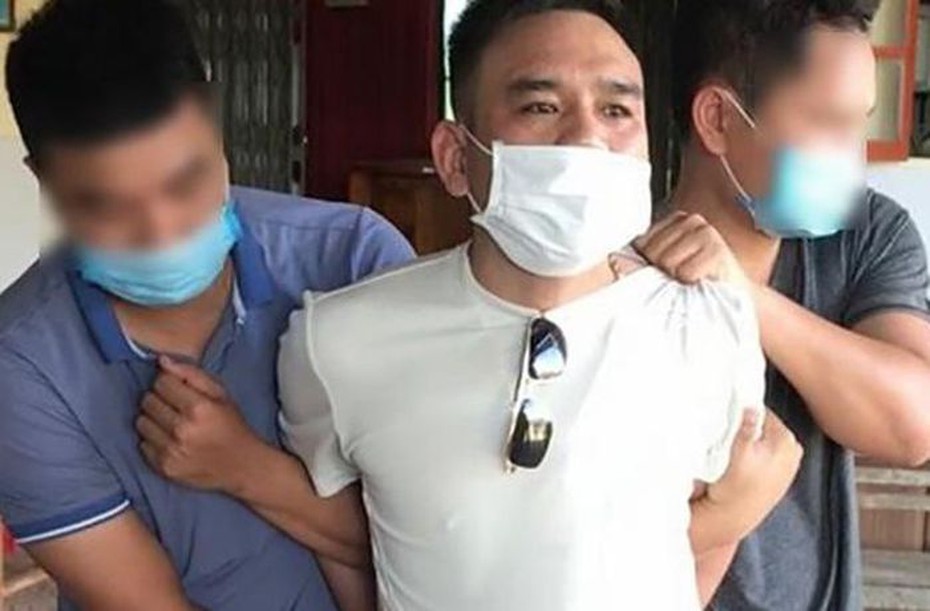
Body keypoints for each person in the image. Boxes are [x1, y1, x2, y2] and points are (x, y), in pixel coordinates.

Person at [138, 1, 798, 609]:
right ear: (456, 158)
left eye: (617, 110)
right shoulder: (336, 341)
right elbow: (353, 550)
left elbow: (703, 545)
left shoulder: (706, 320)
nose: (586, 139)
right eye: (541, 107)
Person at [0, 0, 414, 609]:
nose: (161, 232)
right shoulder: (22, 366)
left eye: (185, 181)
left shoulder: (353, 261)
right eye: (107, 206)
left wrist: (244, 467)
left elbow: (437, 536)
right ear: (43, 178)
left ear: (216, 126)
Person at [636, 1, 930, 609]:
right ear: (718, 118)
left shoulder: (865, 234)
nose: (850, 152)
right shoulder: (621, 265)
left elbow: (913, 426)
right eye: (826, 121)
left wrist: (741, 294)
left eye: (858, 123)